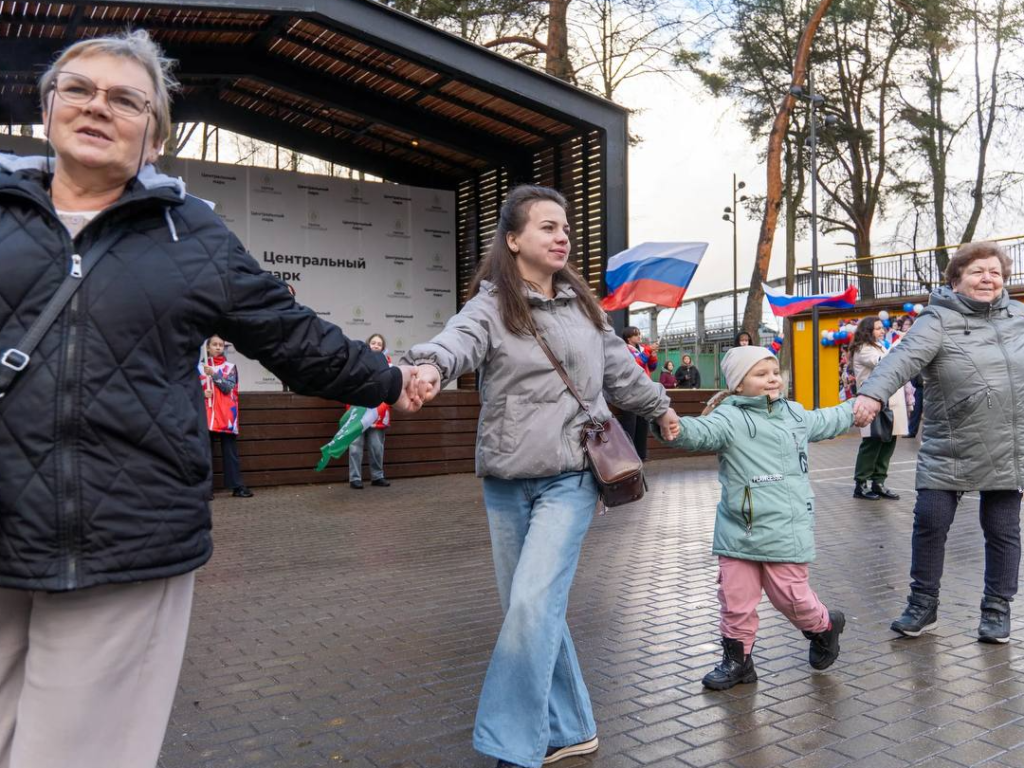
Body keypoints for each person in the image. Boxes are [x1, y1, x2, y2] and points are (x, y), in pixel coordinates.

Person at [0, 31, 421, 768]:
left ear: (154, 137)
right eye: (79, 89)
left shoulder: (191, 235)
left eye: (126, 100)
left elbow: (291, 337)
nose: (99, 106)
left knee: (72, 754)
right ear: (47, 109)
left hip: (125, 541)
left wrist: (391, 380)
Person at [406, 184, 681, 768]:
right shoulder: (490, 306)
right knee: (530, 610)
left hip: (572, 476)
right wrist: (426, 364)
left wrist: (661, 407)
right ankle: (575, 727)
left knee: (532, 606)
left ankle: (512, 746)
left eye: (565, 228)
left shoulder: (584, 309)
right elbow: (456, 342)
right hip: (507, 483)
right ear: (513, 240)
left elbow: (619, 370)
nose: (562, 237)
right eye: (547, 228)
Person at [854, 242, 1024, 644]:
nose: (988, 278)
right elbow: (901, 359)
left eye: (995, 272)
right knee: (930, 521)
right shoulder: (938, 319)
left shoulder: (1019, 317)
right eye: (978, 271)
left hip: (1007, 440)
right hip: (949, 440)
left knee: (1003, 529)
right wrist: (873, 393)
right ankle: (923, 604)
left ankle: (997, 609)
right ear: (956, 280)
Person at [657, 347, 854, 689]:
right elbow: (700, 432)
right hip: (739, 528)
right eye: (760, 374)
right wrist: (675, 428)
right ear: (737, 385)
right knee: (735, 600)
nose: (772, 379)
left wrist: (855, 409)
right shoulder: (728, 418)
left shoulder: (794, 414)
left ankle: (824, 625)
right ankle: (738, 661)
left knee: (790, 597)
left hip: (786, 526)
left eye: (774, 372)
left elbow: (826, 420)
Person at [849, 316, 906, 500]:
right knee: (872, 443)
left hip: (891, 400)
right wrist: (900, 343)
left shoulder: (879, 345)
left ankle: (879, 482)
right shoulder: (863, 349)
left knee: (889, 441)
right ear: (868, 330)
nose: (883, 331)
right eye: (878, 328)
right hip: (873, 400)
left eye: (883, 328)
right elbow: (884, 361)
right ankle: (862, 483)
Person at [200, 335, 253, 498]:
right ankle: (205, 489)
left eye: (221, 345)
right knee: (205, 453)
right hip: (206, 415)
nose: (218, 347)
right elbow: (188, 391)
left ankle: (236, 486)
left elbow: (228, 388)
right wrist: (201, 392)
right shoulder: (199, 368)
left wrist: (214, 375)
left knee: (230, 452)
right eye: (214, 345)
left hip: (226, 416)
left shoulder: (230, 367)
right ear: (207, 348)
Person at [348, 333, 392, 489]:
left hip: (378, 414)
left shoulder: (389, 366)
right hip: (358, 412)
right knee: (355, 447)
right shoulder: (356, 362)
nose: (376, 345)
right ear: (368, 344)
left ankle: (377, 477)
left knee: (376, 448)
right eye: (373, 343)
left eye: (379, 344)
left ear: (383, 348)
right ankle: (355, 478)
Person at [617, 325, 659, 460]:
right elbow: (635, 364)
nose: (639, 336)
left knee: (643, 422)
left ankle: (641, 454)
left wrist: (652, 356)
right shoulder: (624, 350)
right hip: (631, 390)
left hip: (644, 389)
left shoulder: (640, 349)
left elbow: (651, 367)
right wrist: (647, 351)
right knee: (630, 423)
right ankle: (629, 454)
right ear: (628, 338)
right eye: (636, 334)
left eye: (639, 334)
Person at [897, 316, 924, 437]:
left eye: (908, 324)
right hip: (914, 379)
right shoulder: (902, 340)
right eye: (904, 324)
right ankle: (911, 431)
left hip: (925, 380)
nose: (906, 327)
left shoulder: (920, 339)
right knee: (915, 407)